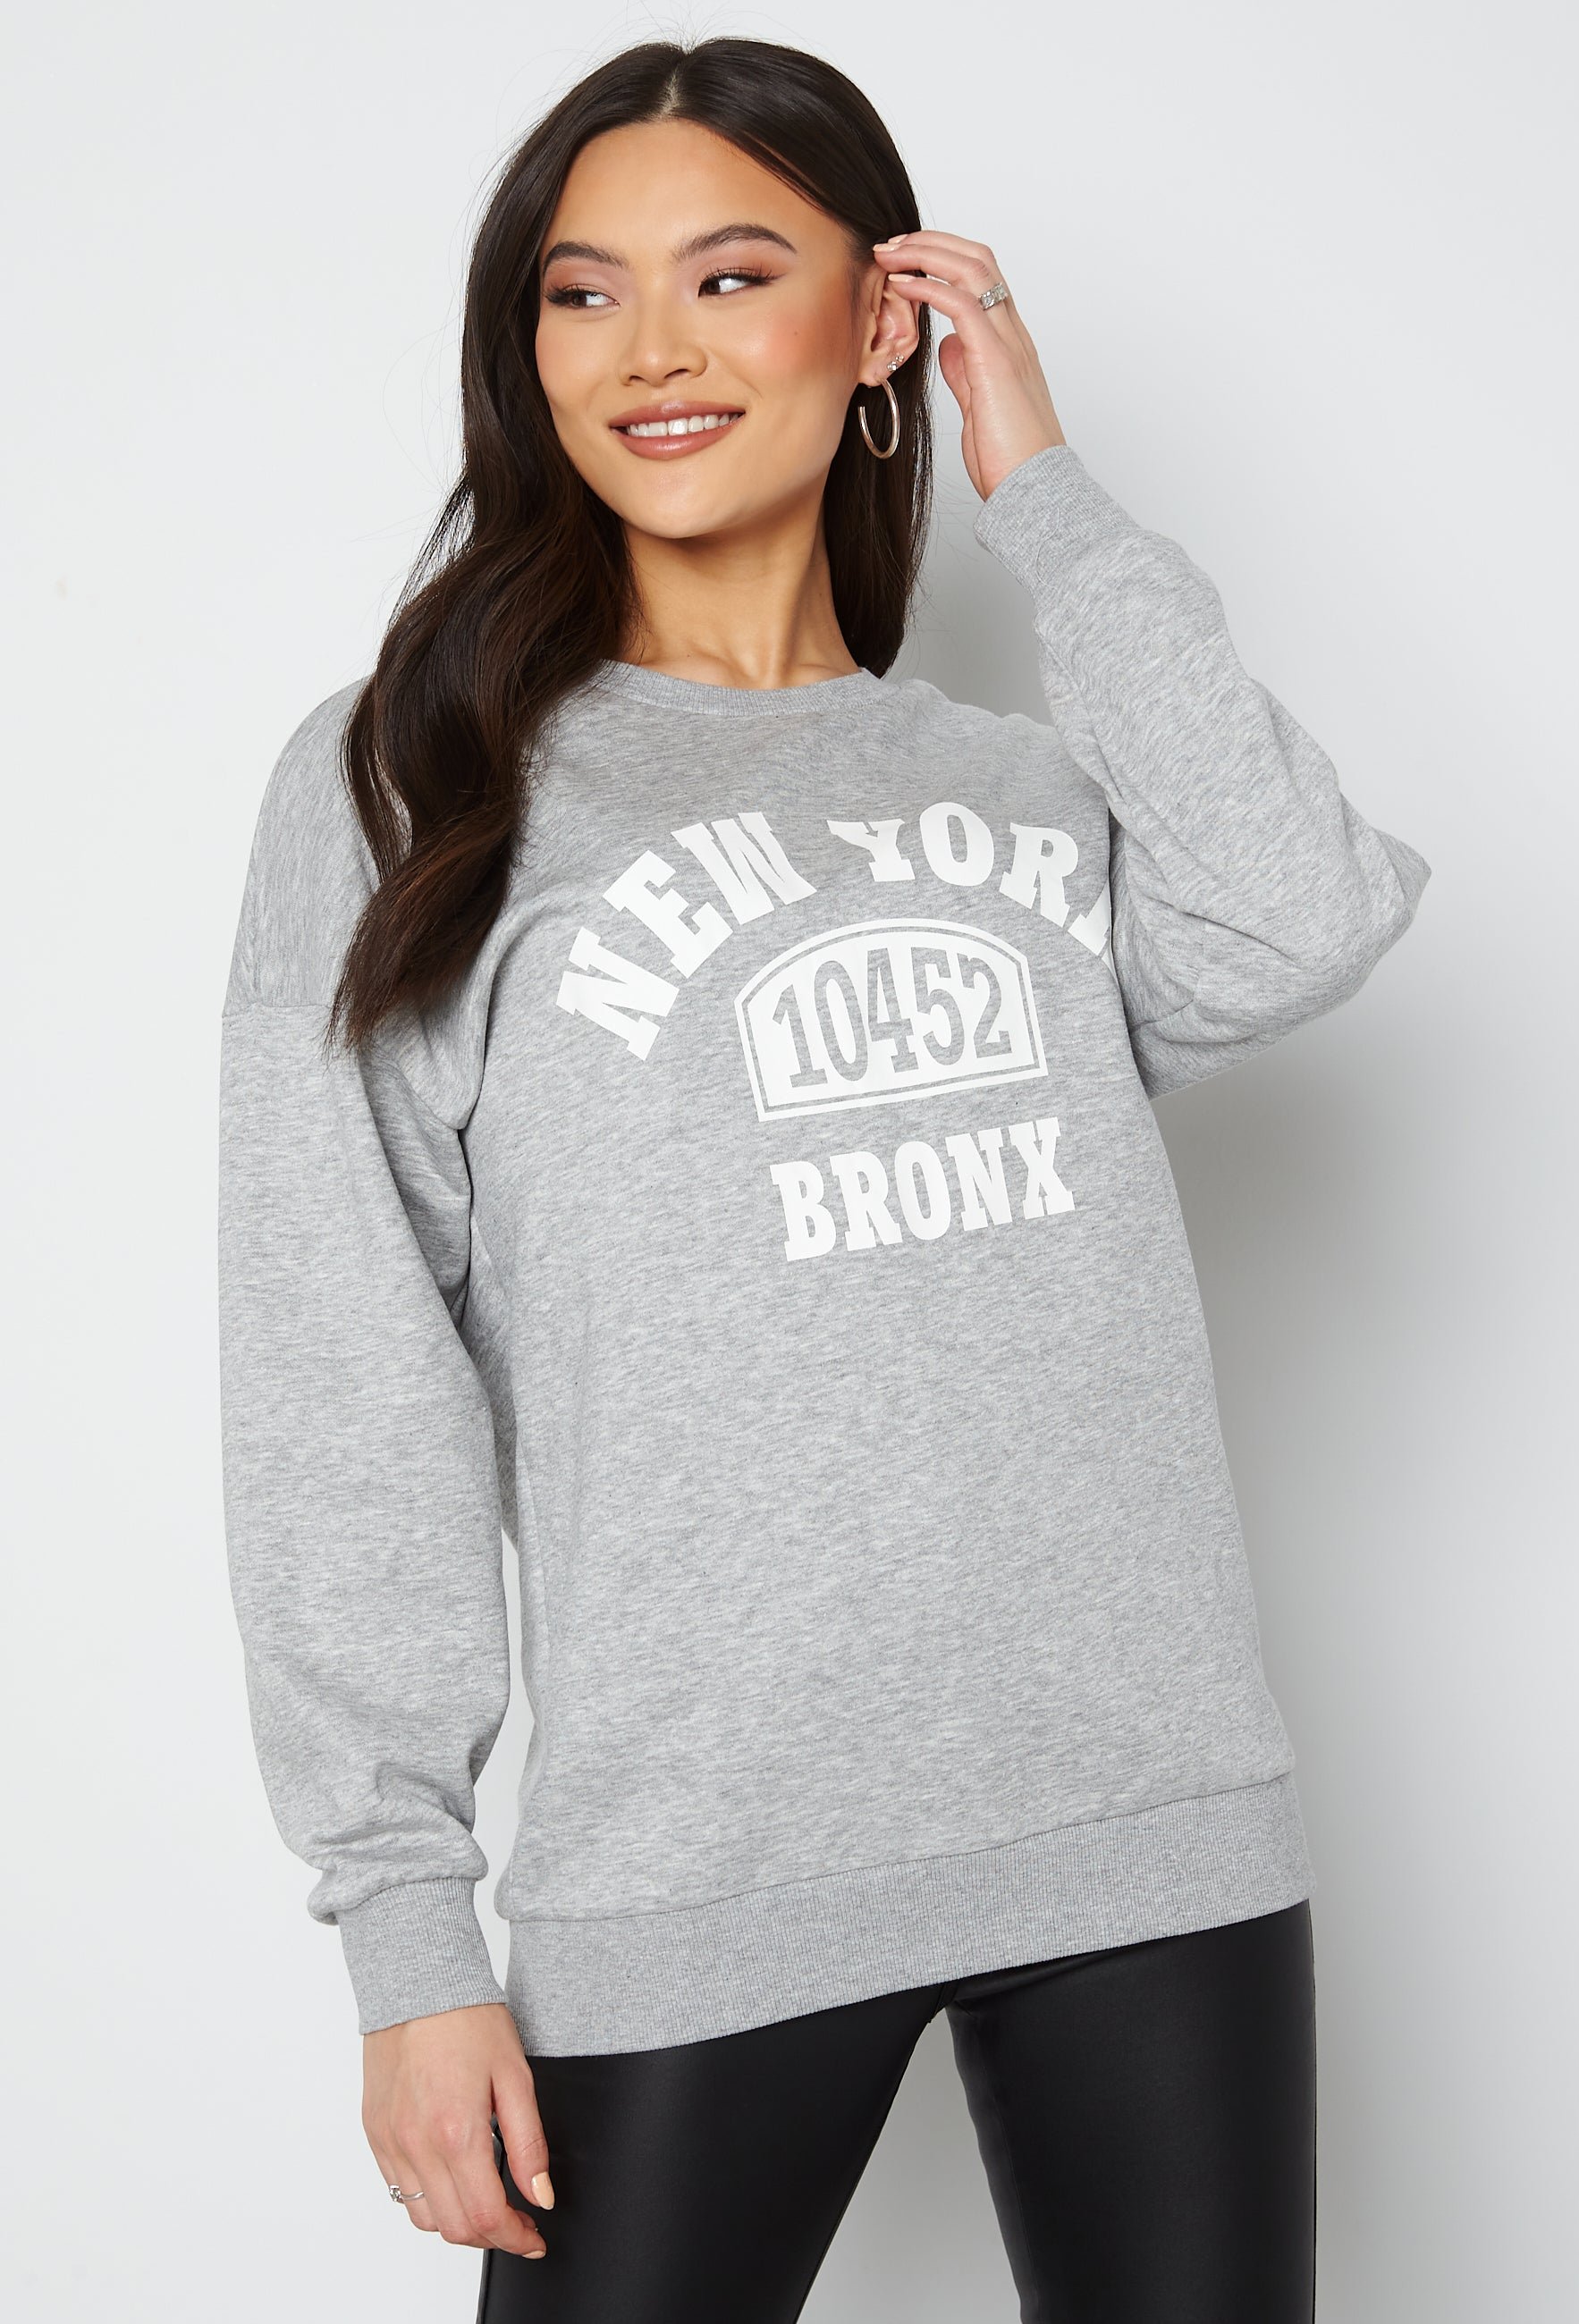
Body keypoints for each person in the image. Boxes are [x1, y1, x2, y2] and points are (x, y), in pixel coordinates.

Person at [216, 34, 1430, 2323]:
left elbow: (1301, 914)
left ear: (879, 318)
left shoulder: (1025, 782)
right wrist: (406, 1926)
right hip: (706, 1860)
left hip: (1149, 1821)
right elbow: (339, 1369)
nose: (651, 352)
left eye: (731, 275)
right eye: (583, 294)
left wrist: (1046, 485)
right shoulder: (420, 779)